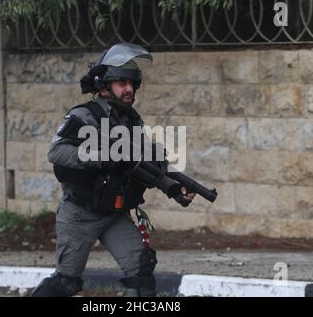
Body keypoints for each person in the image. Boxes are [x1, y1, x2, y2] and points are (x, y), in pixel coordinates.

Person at [30, 43, 196, 297]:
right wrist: (101, 157)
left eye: (132, 83)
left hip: (114, 214)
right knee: (65, 284)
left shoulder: (131, 119)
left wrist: (172, 187)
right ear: (104, 86)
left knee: (142, 274)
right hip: (79, 215)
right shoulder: (84, 115)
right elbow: (56, 152)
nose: (129, 89)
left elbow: (143, 162)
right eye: (121, 83)